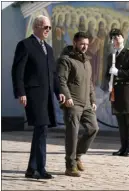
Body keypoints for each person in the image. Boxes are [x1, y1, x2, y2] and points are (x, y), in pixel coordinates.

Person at [11, 15, 65, 179]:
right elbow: (17, 71)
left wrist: (59, 91)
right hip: (33, 95)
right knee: (41, 129)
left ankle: (31, 168)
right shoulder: (25, 45)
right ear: (36, 27)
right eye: (45, 27)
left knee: (41, 130)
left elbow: (53, 74)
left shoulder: (48, 48)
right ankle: (40, 168)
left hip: (47, 96)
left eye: (49, 27)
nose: (48, 30)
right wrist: (21, 92)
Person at [57, 32, 99, 177]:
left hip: (86, 103)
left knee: (93, 128)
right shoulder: (66, 59)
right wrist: (67, 97)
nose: (85, 47)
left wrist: (93, 100)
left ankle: (78, 155)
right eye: (82, 44)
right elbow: (61, 80)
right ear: (74, 43)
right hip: (73, 103)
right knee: (72, 134)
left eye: (87, 44)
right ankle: (70, 166)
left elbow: (90, 83)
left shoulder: (86, 61)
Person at [105, 28, 129, 157]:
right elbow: (106, 75)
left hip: (127, 92)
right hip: (117, 92)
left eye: (118, 36)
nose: (116, 39)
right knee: (120, 120)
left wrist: (118, 73)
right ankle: (123, 146)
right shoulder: (111, 57)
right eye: (114, 38)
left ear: (123, 38)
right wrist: (110, 77)